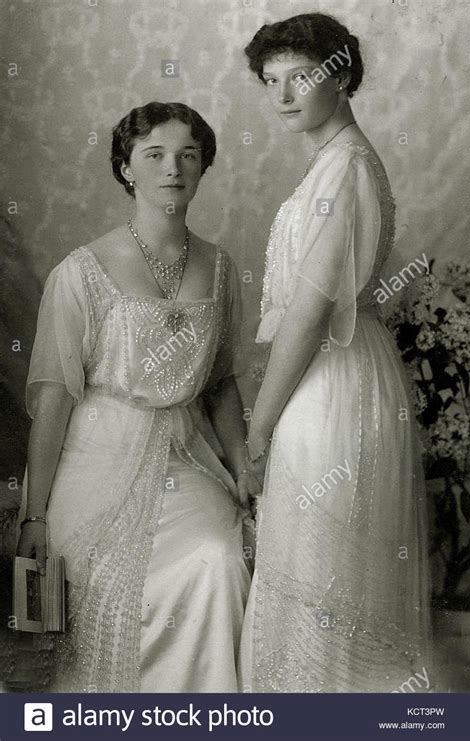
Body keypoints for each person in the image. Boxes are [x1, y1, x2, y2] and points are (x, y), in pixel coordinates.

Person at [16, 101, 259, 692]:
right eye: (154, 155)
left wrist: (242, 466)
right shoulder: (81, 271)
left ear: (203, 168)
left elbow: (221, 381)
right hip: (96, 460)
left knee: (218, 559)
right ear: (126, 168)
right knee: (107, 582)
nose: (172, 168)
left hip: (185, 454)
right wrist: (35, 515)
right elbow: (54, 402)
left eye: (187, 155)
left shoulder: (221, 268)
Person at [239, 13, 434, 692]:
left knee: (323, 578)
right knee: (323, 579)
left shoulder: (344, 168)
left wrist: (257, 429)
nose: (284, 95)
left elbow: (308, 311)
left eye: (301, 77)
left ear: (342, 75)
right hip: (343, 376)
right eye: (271, 82)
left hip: (332, 382)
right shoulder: (337, 163)